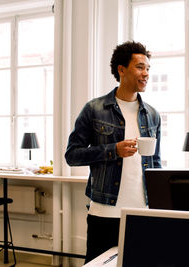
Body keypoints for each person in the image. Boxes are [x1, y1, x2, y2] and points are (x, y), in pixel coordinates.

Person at [65, 41, 161, 263]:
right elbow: (72, 155)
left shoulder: (153, 115)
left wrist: (158, 205)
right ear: (121, 69)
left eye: (148, 68)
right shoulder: (94, 109)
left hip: (142, 211)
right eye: (140, 67)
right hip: (104, 212)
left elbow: (155, 163)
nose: (146, 73)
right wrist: (113, 150)